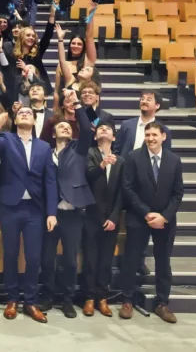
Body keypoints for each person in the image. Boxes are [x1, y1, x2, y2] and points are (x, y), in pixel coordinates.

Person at [0, 105, 58, 323]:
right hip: (10, 206)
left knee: (33, 256)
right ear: (15, 120)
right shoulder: (5, 140)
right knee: (10, 254)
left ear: (35, 120)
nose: (25, 114)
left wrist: (51, 212)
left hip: (35, 209)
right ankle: (12, 299)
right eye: (21, 113)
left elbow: (50, 180)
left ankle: (30, 300)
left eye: (29, 113)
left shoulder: (44, 147)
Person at [119, 122, 184, 324]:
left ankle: (162, 303)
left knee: (163, 262)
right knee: (130, 260)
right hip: (139, 217)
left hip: (165, 220)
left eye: (154, 134)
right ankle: (127, 300)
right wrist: (147, 214)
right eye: (147, 134)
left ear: (163, 136)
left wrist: (163, 216)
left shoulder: (174, 160)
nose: (150, 138)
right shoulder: (133, 157)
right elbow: (128, 189)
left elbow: (178, 193)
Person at [38, 90, 95, 318]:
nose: (65, 128)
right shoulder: (45, 153)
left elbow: (87, 128)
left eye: (69, 128)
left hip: (72, 214)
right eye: (61, 127)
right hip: (49, 214)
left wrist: (77, 103)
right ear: (53, 132)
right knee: (47, 259)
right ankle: (48, 295)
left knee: (71, 260)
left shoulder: (79, 151)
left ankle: (67, 299)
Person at [82, 120, 123, 318]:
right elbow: (87, 175)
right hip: (91, 215)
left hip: (111, 219)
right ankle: (89, 297)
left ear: (114, 137)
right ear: (95, 135)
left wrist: (115, 217)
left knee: (106, 260)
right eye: (100, 128)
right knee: (90, 259)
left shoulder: (121, 161)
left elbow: (123, 193)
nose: (104, 130)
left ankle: (102, 297)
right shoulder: (89, 154)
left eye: (108, 129)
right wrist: (101, 164)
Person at [115, 91, 172, 156]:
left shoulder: (164, 130)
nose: (144, 101)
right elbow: (117, 150)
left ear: (157, 105)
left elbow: (166, 155)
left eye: (148, 100)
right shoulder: (126, 125)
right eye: (142, 99)